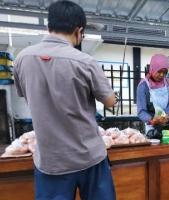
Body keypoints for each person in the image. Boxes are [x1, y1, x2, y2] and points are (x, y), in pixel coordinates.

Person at [13, 1, 116, 199]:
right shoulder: (85, 62)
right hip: (89, 157)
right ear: (79, 31)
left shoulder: (22, 59)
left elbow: (25, 94)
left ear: (48, 27)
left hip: (51, 161)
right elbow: (110, 101)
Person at [137, 54, 169, 135]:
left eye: (164, 72)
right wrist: (152, 120)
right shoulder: (143, 86)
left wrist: (165, 115)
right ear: (152, 68)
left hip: (167, 125)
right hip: (151, 127)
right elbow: (141, 111)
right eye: (159, 71)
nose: (162, 75)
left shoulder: (167, 83)